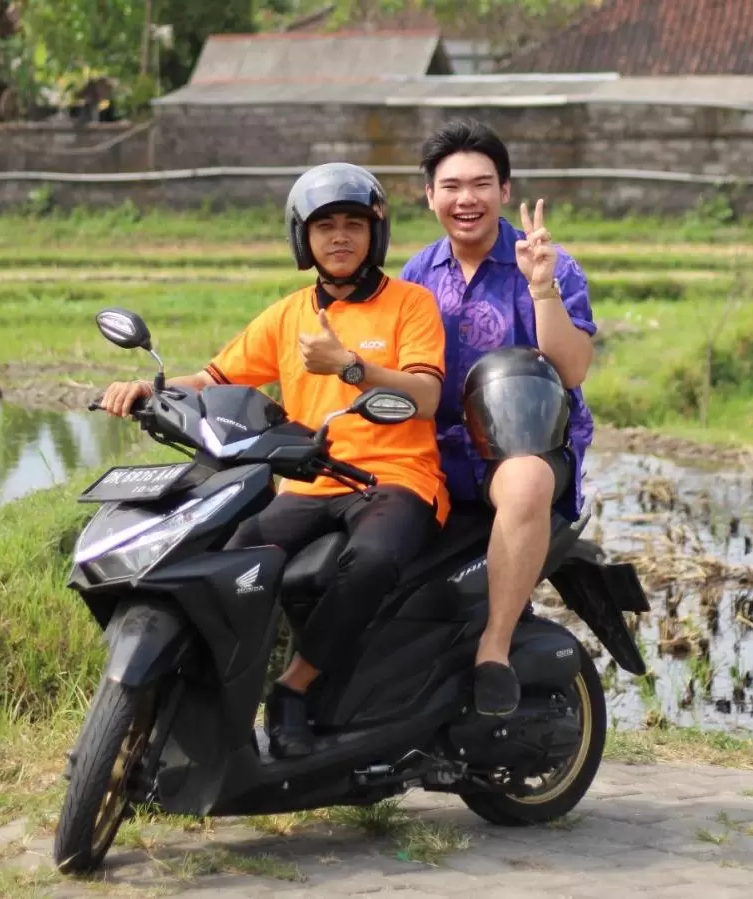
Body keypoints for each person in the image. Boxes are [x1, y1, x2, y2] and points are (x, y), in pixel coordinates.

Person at [98, 163, 450, 758]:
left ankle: (293, 689)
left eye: (353, 225)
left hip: (393, 479)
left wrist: (349, 365)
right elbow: (214, 377)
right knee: (231, 558)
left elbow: (426, 395)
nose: (340, 238)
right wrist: (147, 389)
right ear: (303, 239)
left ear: (375, 235)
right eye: (325, 226)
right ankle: (210, 692)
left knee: (370, 563)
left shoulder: (410, 305)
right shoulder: (288, 316)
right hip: (311, 482)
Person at [400, 119, 597, 717]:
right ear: (429, 195)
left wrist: (542, 290)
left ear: (505, 191)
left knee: (527, 478)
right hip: (436, 448)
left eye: (482, 184)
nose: (467, 199)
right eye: (451, 186)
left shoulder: (546, 265)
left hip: (521, 445)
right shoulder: (415, 274)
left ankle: (494, 647)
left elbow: (572, 369)